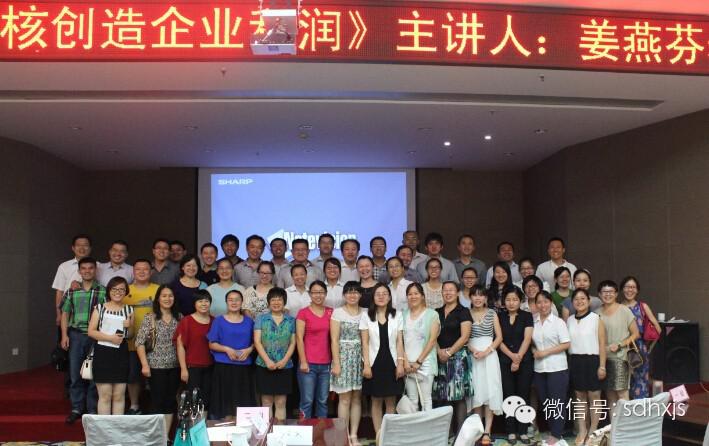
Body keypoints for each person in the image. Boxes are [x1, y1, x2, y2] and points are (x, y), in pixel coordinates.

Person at [60, 257, 106, 424]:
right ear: (79, 271)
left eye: (90, 268)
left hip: (96, 336)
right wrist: (64, 335)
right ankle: (77, 408)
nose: (87, 271)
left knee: (94, 373)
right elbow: (65, 314)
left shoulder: (103, 291)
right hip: (76, 335)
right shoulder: (71, 291)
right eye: (84, 268)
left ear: (95, 270)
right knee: (75, 373)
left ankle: (92, 408)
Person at [135, 284, 181, 433]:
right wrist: (144, 365)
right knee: (157, 401)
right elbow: (139, 342)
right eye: (164, 296)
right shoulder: (151, 318)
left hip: (175, 366)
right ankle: (155, 436)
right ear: (158, 299)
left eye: (170, 296)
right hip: (155, 366)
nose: (168, 299)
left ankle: (165, 436)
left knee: (170, 401)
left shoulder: (180, 318)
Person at [360, 283, 405, 435]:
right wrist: (366, 365)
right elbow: (365, 343)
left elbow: (399, 341)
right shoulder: (366, 316)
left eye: (384, 293)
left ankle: (389, 435)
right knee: (376, 400)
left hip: (392, 362)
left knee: (391, 400)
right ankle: (379, 436)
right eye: (377, 294)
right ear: (373, 297)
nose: (381, 296)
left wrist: (400, 363)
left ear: (390, 297)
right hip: (374, 362)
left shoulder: (397, 314)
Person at [88, 277, 133, 415]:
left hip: (121, 354)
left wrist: (129, 326)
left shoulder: (129, 310)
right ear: (109, 290)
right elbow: (91, 332)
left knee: (119, 395)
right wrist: (110, 338)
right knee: (105, 395)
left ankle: (117, 428)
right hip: (103, 353)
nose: (118, 292)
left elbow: (130, 335)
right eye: (114, 289)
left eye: (121, 289)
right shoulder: (99, 308)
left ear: (126, 292)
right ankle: (104, 428)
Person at [207, 290, 256, 419]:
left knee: (243, 408)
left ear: (242, 302)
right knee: (225, 408)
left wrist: (249, 349)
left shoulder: (249, 322)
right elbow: (212, 344)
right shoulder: (218, 321)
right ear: (226, 302)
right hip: (224, 368)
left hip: (244, 368)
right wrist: (227, 349)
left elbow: (256, 342)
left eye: (237, 299)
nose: (234, 302)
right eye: (230, 300)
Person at [567, 288, 606, 445]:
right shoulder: (569, 320)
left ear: (589, 301)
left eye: (583, 298)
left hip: (593, 360)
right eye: (576, 299)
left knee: (594, 396)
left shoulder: (596, 319)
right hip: (575, 361)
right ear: (572, 302)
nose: (579, 301)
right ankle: (582, 430)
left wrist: (602, 366)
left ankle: (593, 431)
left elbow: (602, 344)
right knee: (579, 397)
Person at [532, 290, 571, 446]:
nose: (543, 305)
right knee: (546, 402)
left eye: (546, 301)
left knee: (557, 402)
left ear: (551, 303)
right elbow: (531, 343)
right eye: (539, 302)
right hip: (539, 368)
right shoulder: (533, 322)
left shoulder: (558, 322)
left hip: (557, 367)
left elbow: (566, 344)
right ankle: (552, 430)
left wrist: (545, 352)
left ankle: (556, 433)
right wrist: (534, 351)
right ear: (535, 305)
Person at [330, 281, 366, 445]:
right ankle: (342, 436)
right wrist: (336, 363)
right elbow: (334, 340)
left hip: (360, 359)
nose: (352, 295)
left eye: (356, 292)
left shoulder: (366, 312)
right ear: (344, 295)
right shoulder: (338, 312)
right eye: (349, 292)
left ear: (360, 295)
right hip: (343, 358)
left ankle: (354, 435)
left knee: (357, 398)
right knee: (344, 399)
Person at [434, 281, 473, 434]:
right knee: (443, 395)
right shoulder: (436, 312)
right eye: (445, 290)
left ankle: (461, 434)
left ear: (457, 293)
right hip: (440, 357)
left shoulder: (463, 311)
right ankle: (447, 433)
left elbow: (465, 336)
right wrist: (439, 352)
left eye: (451, 290)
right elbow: (432, 335)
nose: (448, 293)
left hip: (458, 357)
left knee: (458, 396)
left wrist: (449, 353)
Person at [254, 287, 296, 421]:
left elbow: (293, 343)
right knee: (266, 401)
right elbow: (257, 341)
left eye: (279, 300)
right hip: (264, 365)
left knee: (281, 401)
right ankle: (267, 433)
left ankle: (279, 431)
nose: (276, 302)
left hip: (285, 365)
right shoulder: (261, 319)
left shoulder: (291, 320)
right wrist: (267, 361)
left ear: (284, 302)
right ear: (268, 302)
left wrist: (284, 360)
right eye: (273, 300)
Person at [123, 259, 160, 415]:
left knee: (156, 376)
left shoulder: (158, 289)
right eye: (138, 269)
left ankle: (156, 405)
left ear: (151, 272)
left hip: (155, 342)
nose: (142, 272)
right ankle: (134, 405)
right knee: (133, 376)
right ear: (133, 272)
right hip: (131, 342)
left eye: (145, 269)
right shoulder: (125, 290)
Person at [596, 280, 639, 410]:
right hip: (603, 359)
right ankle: (614, 423)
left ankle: (627, 423)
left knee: (622, 395)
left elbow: (636, 334)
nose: (607, 294)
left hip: (620, 357)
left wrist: (620, 344)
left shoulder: (624, 310)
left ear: (616, 294)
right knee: (610, 396)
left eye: (611, 291)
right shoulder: (596, 313)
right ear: (599, 294)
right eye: (604, 292)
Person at [498, 288, 534, 443]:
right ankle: (511, 431)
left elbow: (527, 339)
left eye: (514, 299)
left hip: (524, 361)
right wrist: (512, 357)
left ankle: (523, 430)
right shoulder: (499, 316)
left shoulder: (527, 316)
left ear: (520, 301)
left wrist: (518, 358)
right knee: (508, 396)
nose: (511, 303)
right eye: (508, 300)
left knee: (523, 395)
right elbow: (498, 339)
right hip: (505, 361)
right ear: (503, 301)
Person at [468, 285, 503, 441]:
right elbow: (464, 337)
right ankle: (478, 429)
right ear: (470, 297)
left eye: (481, 295)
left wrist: (487, 351)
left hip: (489, 356)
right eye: (474, 295)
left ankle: (487, 431)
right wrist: (473, 350)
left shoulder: (492, 313)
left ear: (486, 298)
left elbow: (499, 337)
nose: (478, 298)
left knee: (490, 392)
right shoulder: (466, 313)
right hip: (473, 356)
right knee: (477, 393)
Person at [296, 281, 334, 418]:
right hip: (308, 364)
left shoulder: (331, 312)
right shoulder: (303, 313)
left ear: (325, 294)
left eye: (321, 292)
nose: (318, 295)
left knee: (323, 401)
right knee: (307, 401)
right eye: (315, 292)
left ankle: (321, 430)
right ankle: (304, 430)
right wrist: (303, 361)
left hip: (326, 364)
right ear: (310, 294)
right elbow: (299, 338)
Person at [400, 282, 440, 412]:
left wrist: (419, 361)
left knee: (426, 399)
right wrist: (405, 361)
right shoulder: (402, 315)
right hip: (408, 363)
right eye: (410, 294)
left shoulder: (432, 314)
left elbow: (432, 340)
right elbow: (400, 341)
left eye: (416, 293)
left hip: (425, 362)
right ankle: (414, 425)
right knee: (412, 400)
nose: (413, 296)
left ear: (422, 296)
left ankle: (427, 425)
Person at [620, 276, 661, 399]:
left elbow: (658, 329)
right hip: (621, 348)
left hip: (639, 349)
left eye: (633, 287)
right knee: (623, 383)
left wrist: (647, 345)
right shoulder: (617, 307)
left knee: (641, 380)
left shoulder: (642, 306)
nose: (630, 290)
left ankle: (640, 408)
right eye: (627, 287)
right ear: (622, 289)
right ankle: (626, 408)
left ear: (637, 290)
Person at [175, 290, 214, 414]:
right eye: (200, 301)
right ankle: (193, 426)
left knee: (207, 401)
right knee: (193, 401)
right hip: (192, 368)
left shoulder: (214, 321)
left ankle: (203, 425)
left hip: (211, 367)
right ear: (194, 304)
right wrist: (183, 369)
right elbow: (180, 346)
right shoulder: (187, 321)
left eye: (206, 301)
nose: (204, 304)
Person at [53, 234, 92, 327]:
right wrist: (59, 314)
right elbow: (59, 292)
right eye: (78, 245)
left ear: (90, 248)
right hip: (68, 312)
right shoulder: (64, 266)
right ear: (73, 248)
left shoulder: (98, 266)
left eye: (85, 245)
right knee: (66, 335)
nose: (82, 248)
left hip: (91, 313)